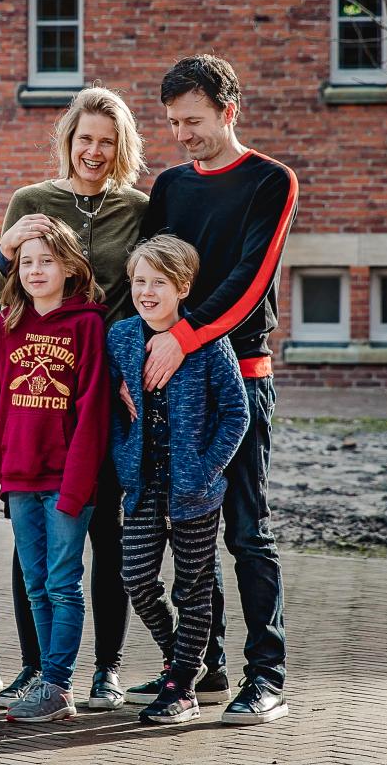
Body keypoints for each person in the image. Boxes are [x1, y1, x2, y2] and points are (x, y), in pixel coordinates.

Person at [132, 54, 298, 725]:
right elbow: (146, 275)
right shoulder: (170, 185)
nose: (182, 135)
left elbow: (250, 285)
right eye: (173, 123)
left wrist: (183, 336)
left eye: (194, 121)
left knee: (246, 533)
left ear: (230, 111)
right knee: (188, 531)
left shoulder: (270, 181)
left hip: (240, 377)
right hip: (170, 380)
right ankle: (206, 666)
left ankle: (268, 676)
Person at [0, 86, 147, 711]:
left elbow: (150, 282)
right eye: (85, 138)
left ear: (121, 150)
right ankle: (37, 667)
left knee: (104, 531)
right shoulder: (33, 201)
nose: (94, 150)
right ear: (68, 140)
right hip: (43, 386)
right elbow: (11, 287)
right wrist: (7, 247)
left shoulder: (138, 207)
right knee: (33, 534)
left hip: (107, 383)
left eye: (107, 142)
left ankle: (105, 668)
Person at [107, 236, 249, 724]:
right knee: (137, 579)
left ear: (182, 287)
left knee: (194, 587)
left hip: (195, 491)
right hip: (144, 486)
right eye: (139, 281)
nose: (147, 292)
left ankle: (182, 687)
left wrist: (206, 469)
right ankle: (180, 662)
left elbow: (236, 412)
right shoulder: (122, 337)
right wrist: (123, 444)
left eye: (159, 283)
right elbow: (111, 406)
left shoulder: (209, 342)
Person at [0, 220, 110, 723]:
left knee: (62, 582)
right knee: (35, 584)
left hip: (66, 483)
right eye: (27, 261)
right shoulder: (10, 326)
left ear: (70, 267)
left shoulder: (87, 325)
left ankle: (57, 683)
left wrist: (77, 489)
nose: (35, 270)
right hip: (20, 478)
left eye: (47, 261)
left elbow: (94, 412)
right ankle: (51, 681)